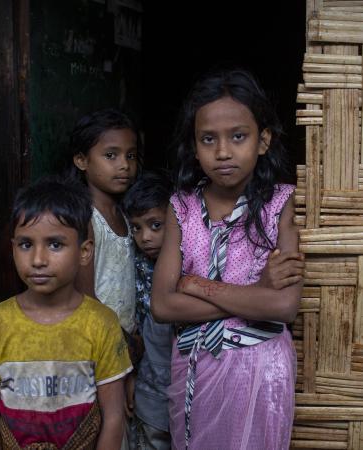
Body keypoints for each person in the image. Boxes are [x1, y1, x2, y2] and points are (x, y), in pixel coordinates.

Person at [151, 69, 304, 450]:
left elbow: (284, 306)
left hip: (260, 372)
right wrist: (255, 294)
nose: (222, 151)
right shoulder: (181, 208)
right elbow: (162, 305)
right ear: (194, 145)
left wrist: (199, 286)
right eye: (208, 139)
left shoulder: (280, 204)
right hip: (193, 369)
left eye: (238, 136)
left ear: (263, 140)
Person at [0, 177, 132, 450]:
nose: (38, 260)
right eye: (26, 245)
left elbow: (113, 417)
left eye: (55, 245)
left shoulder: (101, 324)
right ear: (13, 247)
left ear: (84, 251)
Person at [69, 108, 142, 449]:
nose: (124, 165)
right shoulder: (85, 218)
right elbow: (86, 299)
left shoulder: (128, 213)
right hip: (97, 343)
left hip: (124, 341)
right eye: (110, 155)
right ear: (82, 161)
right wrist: (124, 347)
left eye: (130, 156)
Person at [122, 171, 174, 450]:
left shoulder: (192, 266)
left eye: (156, 225)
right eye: (136, 228)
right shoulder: (136, 265)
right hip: (149, 390)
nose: (146, 237)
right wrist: (131, 375)